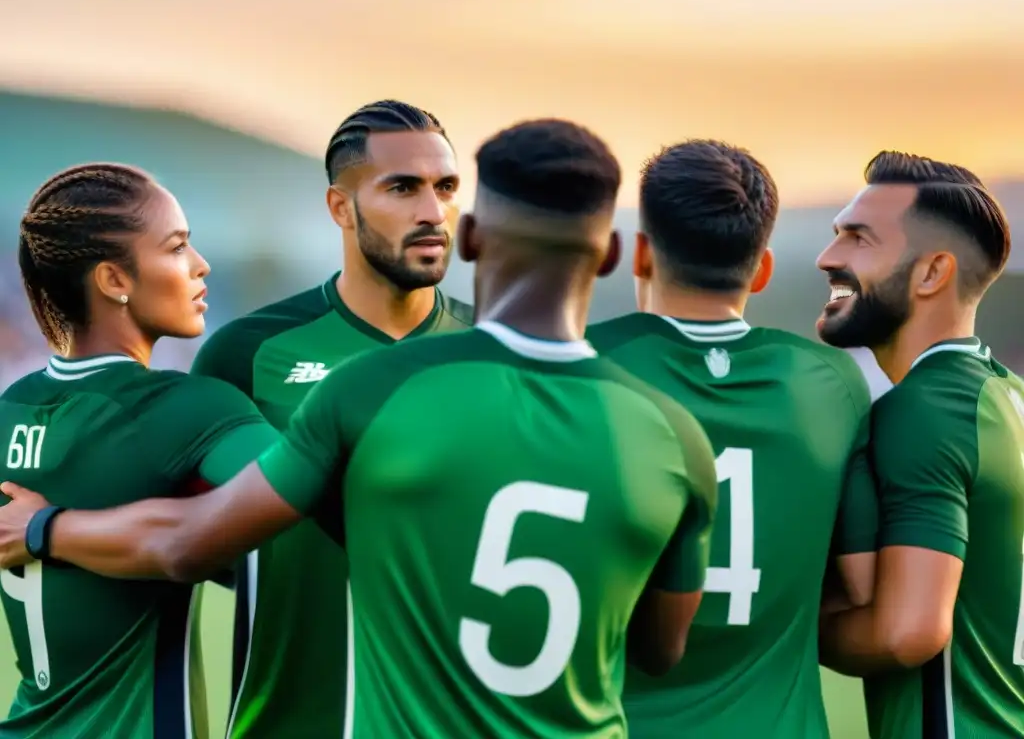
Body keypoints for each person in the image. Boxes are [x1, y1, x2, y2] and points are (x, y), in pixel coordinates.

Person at [0, 119, 718, 738]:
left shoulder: (366, 390)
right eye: (178, 246)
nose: (200, 263)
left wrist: (47, 530)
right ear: (620, 254)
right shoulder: (669, 430)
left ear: (470, 235)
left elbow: (198, 538)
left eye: (445, 188)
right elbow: (659, 649)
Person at [188, 99, 472, 738]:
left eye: (445, 187)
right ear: (340, 208)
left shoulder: (497, 350)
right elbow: (194, 535)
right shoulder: (247, 353)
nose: (432, 212)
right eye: (402, 188)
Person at [587, 140, 879, 738]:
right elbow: (864, 585)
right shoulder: (830, 382)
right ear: (763, 268)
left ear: (640, 255)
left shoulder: (582, 369)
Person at [0, 163, 280, 739]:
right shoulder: (186, 407)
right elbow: (305, 489)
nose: (200, 266)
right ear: (113, 280)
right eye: (177, 248)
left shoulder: (13, 404)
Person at [816, 151, 1024, 738]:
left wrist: (779, 628)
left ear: (932, 273)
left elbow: (908, 633)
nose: (827, 257)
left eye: (858, 239)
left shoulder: (924, 410)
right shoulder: (1007, 397)